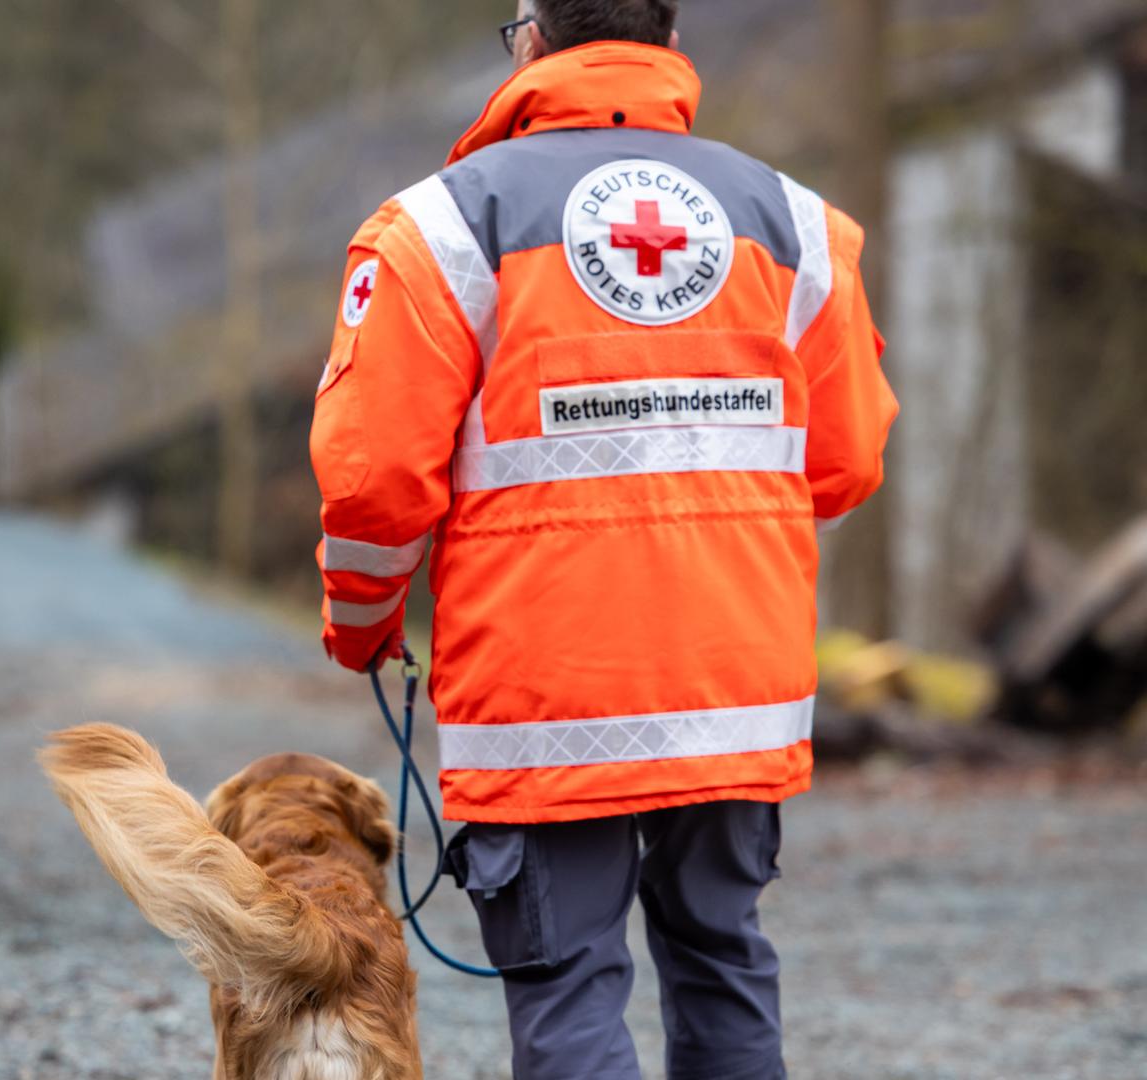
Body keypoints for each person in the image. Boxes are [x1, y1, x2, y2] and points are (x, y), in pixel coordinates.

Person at [309, 2, 897, 1077]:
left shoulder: (442, 227)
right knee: (723, 958)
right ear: (668, 43)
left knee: (569, 981)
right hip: (734, 685)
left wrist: (362, 629)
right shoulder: (796, 223)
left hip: (549, 705)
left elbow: (373, 484)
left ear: (532, 40)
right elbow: (846, 464)